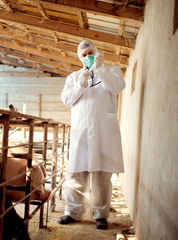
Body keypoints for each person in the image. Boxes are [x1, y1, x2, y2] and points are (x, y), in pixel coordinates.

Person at [58, 40, 125, 229]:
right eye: (84, 55)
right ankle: (72, 212)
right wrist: (80, 84)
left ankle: (100, 215)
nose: (87, 57)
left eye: (90, 52)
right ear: (79, 58)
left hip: (104, 131)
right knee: (76, 174)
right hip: (81, 132)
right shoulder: (73, 77)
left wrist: (101, 68)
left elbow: (117, 88)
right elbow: (66, 99)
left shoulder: (112, 70)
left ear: (96, 52)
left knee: (103, 176)